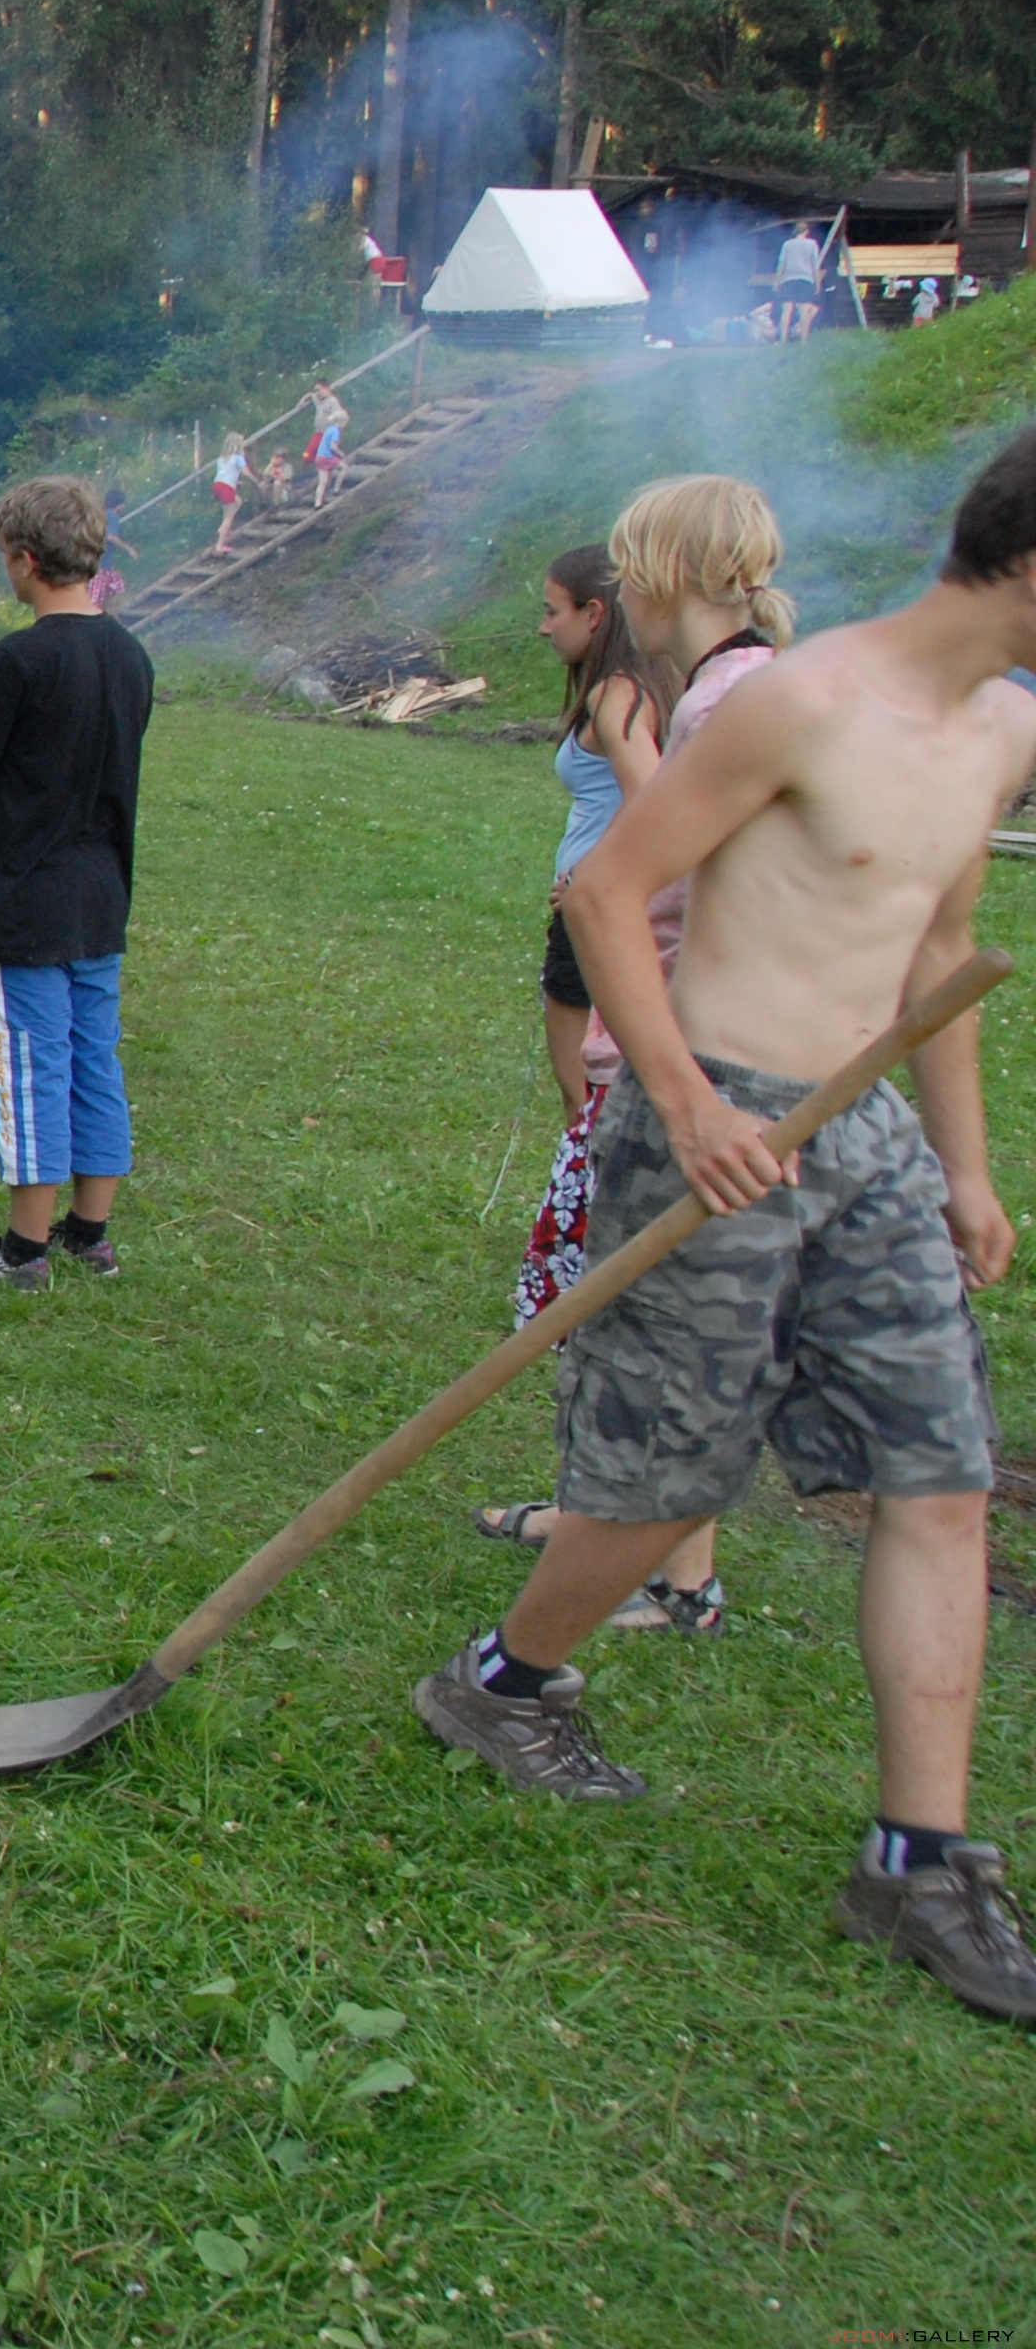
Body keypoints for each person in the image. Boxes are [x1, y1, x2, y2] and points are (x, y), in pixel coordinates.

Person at [414, 429, 1036, 2025]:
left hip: (867, 1137)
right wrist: (688, 1102)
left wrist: (965, 1171)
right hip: (720, 1118)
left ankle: (921, 1863)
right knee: (670, 1477)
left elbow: (940, 949)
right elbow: (608, 892)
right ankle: (505, 1682)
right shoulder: (802, 702)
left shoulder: (1003, 729)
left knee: (941, 1472)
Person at [486, 481, 801, 1627]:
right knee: (614, 1305)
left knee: (655, 1324)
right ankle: (595, 1521)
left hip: (684, 1061)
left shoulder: (730, 703)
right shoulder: (734, 689)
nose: (616, 594)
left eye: (626, 571)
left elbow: (704, 893)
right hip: (669, 1056)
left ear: (664, 575)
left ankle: (676, 1579)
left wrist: (664, 1070)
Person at [0, 478, 153, 1289]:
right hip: (101, 891)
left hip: (25, 898)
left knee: (29, 1067)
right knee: (94, 1058)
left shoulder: (17, 658)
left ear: (25, 561)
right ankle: (89, 1232)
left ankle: (24, 1250)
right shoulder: (130, 655)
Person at [532, 545, 671, 1114]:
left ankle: (587, 1176)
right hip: (613, 909)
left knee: (583, 1097)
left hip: (596, 916)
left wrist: (589, 878)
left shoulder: (616, 696)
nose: (544, 628)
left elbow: (656, 804)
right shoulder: (647, 684)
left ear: (593, 613)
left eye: (552, 611)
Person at [303, 381, 350, 508]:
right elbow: (333, 447)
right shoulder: (334, 431)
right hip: (326, 452)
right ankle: (336, 489)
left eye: (319, 390)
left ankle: (318, 502)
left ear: (327, 388)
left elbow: (337, 414)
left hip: (321, 453)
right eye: (316, 390)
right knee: (343, 467)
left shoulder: (332, 402)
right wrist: (340, 454)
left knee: (322, 480)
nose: (317, 393)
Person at [776, 223, 826, 342]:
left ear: (795, 231)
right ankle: (804, 340)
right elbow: (815, 265)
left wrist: (777, 282)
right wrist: (817, 283)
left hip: (788, 279)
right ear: (806, 231)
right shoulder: (812, 244)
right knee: (804, 312)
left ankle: (783, 339)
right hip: (805, 280)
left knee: (786, 311)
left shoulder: (787, 244)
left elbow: (781, 264)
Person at [209, 439, 250, 553]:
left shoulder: (222, 458)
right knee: (228, 518)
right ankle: (220, 545)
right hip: (227, 488)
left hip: (217, 485)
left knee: (237, 502)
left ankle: (224, 528)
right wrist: (255, 479)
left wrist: (237, 482)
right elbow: (246, 472)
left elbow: (226, 473)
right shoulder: (238, 457)